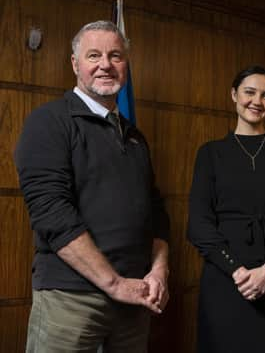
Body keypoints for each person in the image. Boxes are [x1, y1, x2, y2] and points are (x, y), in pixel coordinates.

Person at [14, 20, 170, 353]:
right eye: (94, 55)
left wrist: (158, 271)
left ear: (125, 65)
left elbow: (156, 214)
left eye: (115, 56)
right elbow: (52, 216)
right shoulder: (48, 122)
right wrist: (113, 284)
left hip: (135, 297)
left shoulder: (135, 137)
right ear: (75, 64)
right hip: (71, 299)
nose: (105, 65)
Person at [188, 65, 265, 353]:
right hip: (225, 280)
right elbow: (199, 225)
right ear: (234, 95)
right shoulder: (210, 153)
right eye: (250, 92)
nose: (257, 101)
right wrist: (238, 271)